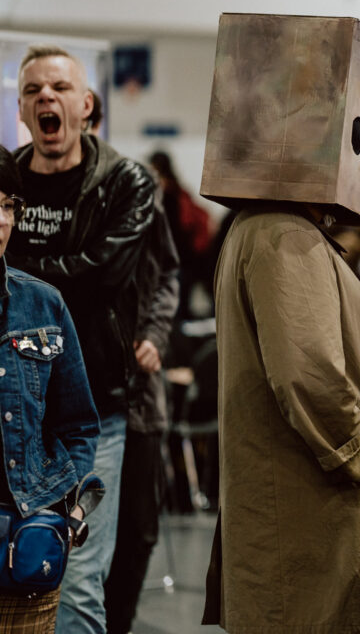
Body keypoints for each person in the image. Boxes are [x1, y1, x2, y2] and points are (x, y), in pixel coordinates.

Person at [201, 13, 360, 633]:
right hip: (315, 514)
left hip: (311, 509)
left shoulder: (273, 230)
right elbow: (307, 373)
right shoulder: (280, 235)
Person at [10, 44, 162, 634]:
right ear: (22, 111)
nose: (45, 97)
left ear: (87, 104)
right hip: (17, 409)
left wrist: (21, 271)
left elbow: (104, 275)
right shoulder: (7, 180)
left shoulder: (126, 182)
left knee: (76, 577)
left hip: (94, 409)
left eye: (60, 88)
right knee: (17, 568)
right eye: (32, 90)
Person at [0, 145, 102, 631]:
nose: (1, 221)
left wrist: (67, 512)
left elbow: (78, 423)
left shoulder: (43, 305)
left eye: (7, 206)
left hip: (26, 542)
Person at [103, 204, 179, 634]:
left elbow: (168, 275)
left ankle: (118, 625)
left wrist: (155, 334)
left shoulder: (140, 196)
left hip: (140, 398)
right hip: (83, 396)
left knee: (138, 528)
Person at [147, 151, 210, 320]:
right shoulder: (179, 192)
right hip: (184, 259)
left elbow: (169, 231)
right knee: (178, 307)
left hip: (174, 260)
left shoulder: (165, 196)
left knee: (171, 309)